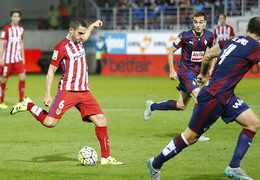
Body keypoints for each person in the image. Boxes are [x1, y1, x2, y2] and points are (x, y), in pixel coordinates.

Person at [147, 17, 260, 180]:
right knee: (190, 137)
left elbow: (207, 56)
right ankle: (156, 163)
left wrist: (202, 74)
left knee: (253, 123)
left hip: (226, 96)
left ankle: (234, 167)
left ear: (247, 27)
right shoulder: (255, 46)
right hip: (214, 96)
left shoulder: (231, 40)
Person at [10, 17, 123, 165]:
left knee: (101, 121)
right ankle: (28, 105)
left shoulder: (79, 40)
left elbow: (86, 34)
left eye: (83, 34)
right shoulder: (61, 47)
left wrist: (93, 25)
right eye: (80, 33)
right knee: (50, 122)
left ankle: (106, 158)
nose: (83, 37)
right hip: (67, 91)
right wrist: (48, 94)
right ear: (71, 30)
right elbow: (51, 72)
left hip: (84, 92)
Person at [144, 11, 214, 141]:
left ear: (205, 23)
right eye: (195, 22)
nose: (198, 25)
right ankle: (197, 132)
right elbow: (171, 51)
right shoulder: (185, 36)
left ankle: (152, 106)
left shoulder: (209, 36)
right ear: (192, 22)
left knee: (181, 105)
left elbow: (212, 54)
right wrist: (172, 70)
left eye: (200, 22)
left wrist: (210, 70)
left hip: (197, 73)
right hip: (185, 72)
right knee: (201, 99)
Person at [0, 9, 26, 109]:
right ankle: (1, 101)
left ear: (20, 18)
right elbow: (2, 43)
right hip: (7, 59)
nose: (16, 18)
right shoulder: (6, 29)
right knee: (4, 80)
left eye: (17, 16)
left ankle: (21, 102)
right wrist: (1, 57)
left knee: (23, 77)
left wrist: (23, 57)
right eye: (14, 16)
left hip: (17, 58)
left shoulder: (21, 29)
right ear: (11, 17)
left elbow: (21, 43)